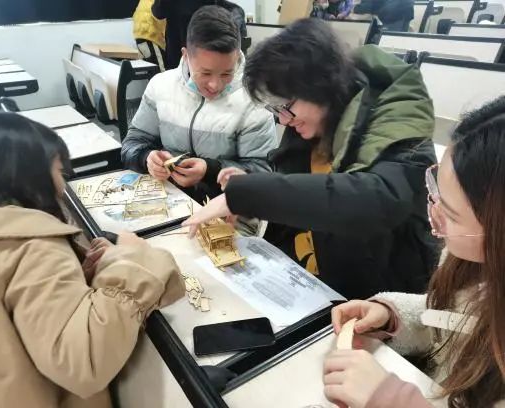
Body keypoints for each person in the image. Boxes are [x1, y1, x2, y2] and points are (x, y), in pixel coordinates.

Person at [183, 18, 440, 300]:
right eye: (276, 109)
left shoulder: (400, 119)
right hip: (306, 281)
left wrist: (247, 195)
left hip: (373, 296)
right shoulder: (315, 118)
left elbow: (377, 200)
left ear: (318, 85)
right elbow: (298, 185)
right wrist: (253, 184)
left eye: (285, 106)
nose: (283, 120)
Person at [0, 112, 184, 408]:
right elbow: (83, 362)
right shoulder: (32, 243)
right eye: (59, 172)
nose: (63, 187)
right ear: (29, 177)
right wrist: (134, 258)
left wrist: (81, 273)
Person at [324, 96, 505, 408]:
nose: (433, 212)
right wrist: (390, 316)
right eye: (436, 191)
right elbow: (454, 319)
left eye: (451, 214)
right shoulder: (470, 258)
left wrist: (393, 400)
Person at [122, 6, 277, 204]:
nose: (215, 85)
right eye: (205, 73)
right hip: (169, 203)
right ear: (186, 55)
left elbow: (263, 174)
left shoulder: (254, 100)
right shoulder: (160, 86)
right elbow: (131, 144)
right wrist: (146, 158)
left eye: (227, 73)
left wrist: (210, 171)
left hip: (224, 208)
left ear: (237, 57)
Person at [133, 0, 167, 72]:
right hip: (150, 37)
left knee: (149, 69)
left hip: (139, 35)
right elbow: (160, 18)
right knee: (160, 70)